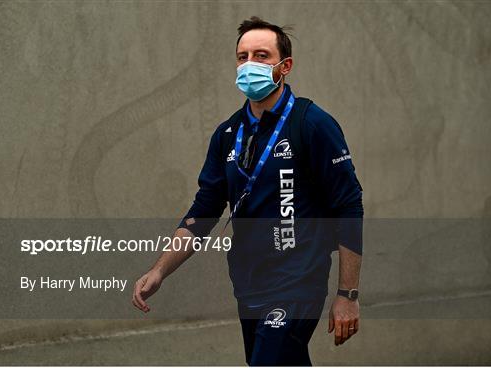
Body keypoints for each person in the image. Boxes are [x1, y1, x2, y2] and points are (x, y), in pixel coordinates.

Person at [132, 16, 364, 366]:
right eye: (243, 57)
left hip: (298, 281)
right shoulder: (227, 133)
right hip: (249, 284)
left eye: (261, 55)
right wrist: (160, 270)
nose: (249, 65)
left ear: (284, 67)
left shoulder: (312, 124)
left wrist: (347, 294)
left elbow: (349, 206)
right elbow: (204, 210)